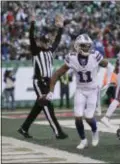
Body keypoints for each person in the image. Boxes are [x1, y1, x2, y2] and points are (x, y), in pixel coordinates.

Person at [42, 34, 112, 149]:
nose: (86, 48)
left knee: (89, 117)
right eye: (84, 46)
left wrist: (108, 82)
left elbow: (109, 66)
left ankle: (95, 131)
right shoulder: (72, 57)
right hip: (80, 90)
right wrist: (51, 91)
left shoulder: (95, 55)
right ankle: (83, 140)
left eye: (88, 46)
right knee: (78, 116)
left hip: (93, 90)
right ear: (77, 46)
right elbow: (57, 74)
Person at [18, 11, 68, 139]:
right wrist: (33, 23)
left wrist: (61, 27)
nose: (45, 43)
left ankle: (24, 128)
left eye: (45, 41)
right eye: (43, 41)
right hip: (39, 81)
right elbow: (30, 37)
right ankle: (58, 132)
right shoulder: (36, 51)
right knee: (48, 106)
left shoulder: (50, 50)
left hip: (47, 81)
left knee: (39, 107)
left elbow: (57, 39)